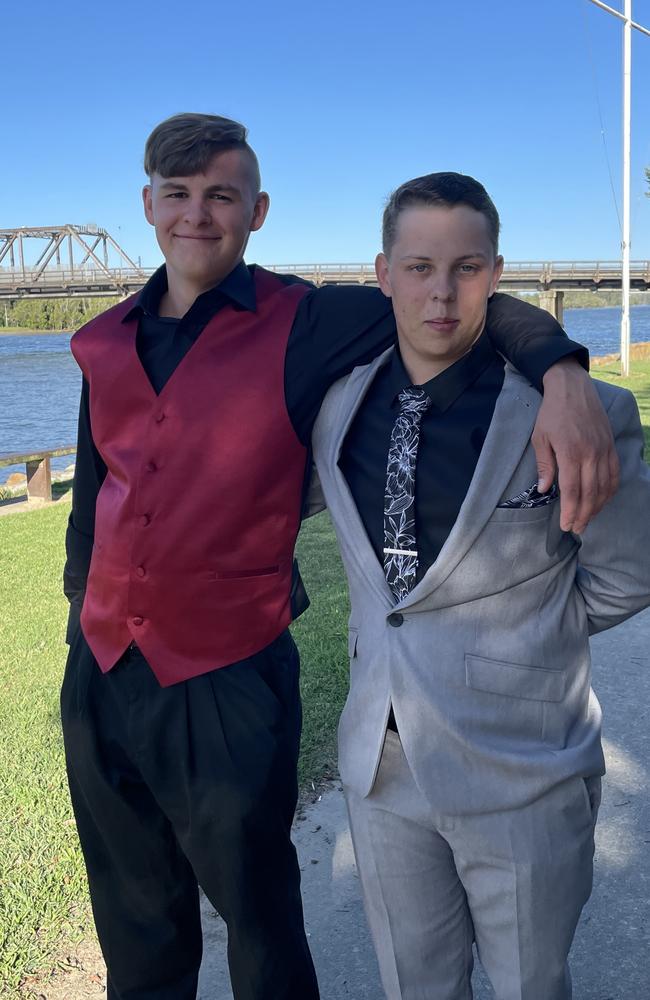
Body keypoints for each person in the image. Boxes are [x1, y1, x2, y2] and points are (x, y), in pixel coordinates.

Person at [62, 114, 617, 1000]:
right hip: (98, 670)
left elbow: (457, 296)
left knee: (259, 920)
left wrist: (562, 368)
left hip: (230, 672)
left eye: (221, 196)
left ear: (259, 211)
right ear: (148, 205)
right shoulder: (100, 339)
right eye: (178, 195)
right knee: (132, 915)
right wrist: (76, 626)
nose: (197, 216)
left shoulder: (311, 317)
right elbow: (95, 498)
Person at [310, 170, 650, 1000]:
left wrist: (533, 634)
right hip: (382, 765)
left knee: (532, 984)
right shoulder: (335, 406)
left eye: (466, 268)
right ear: (383, 272)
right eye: (419, 267)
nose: (441, 292)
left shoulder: (576, 411)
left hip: (521, 770)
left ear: (496, 275)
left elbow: (629, 572)